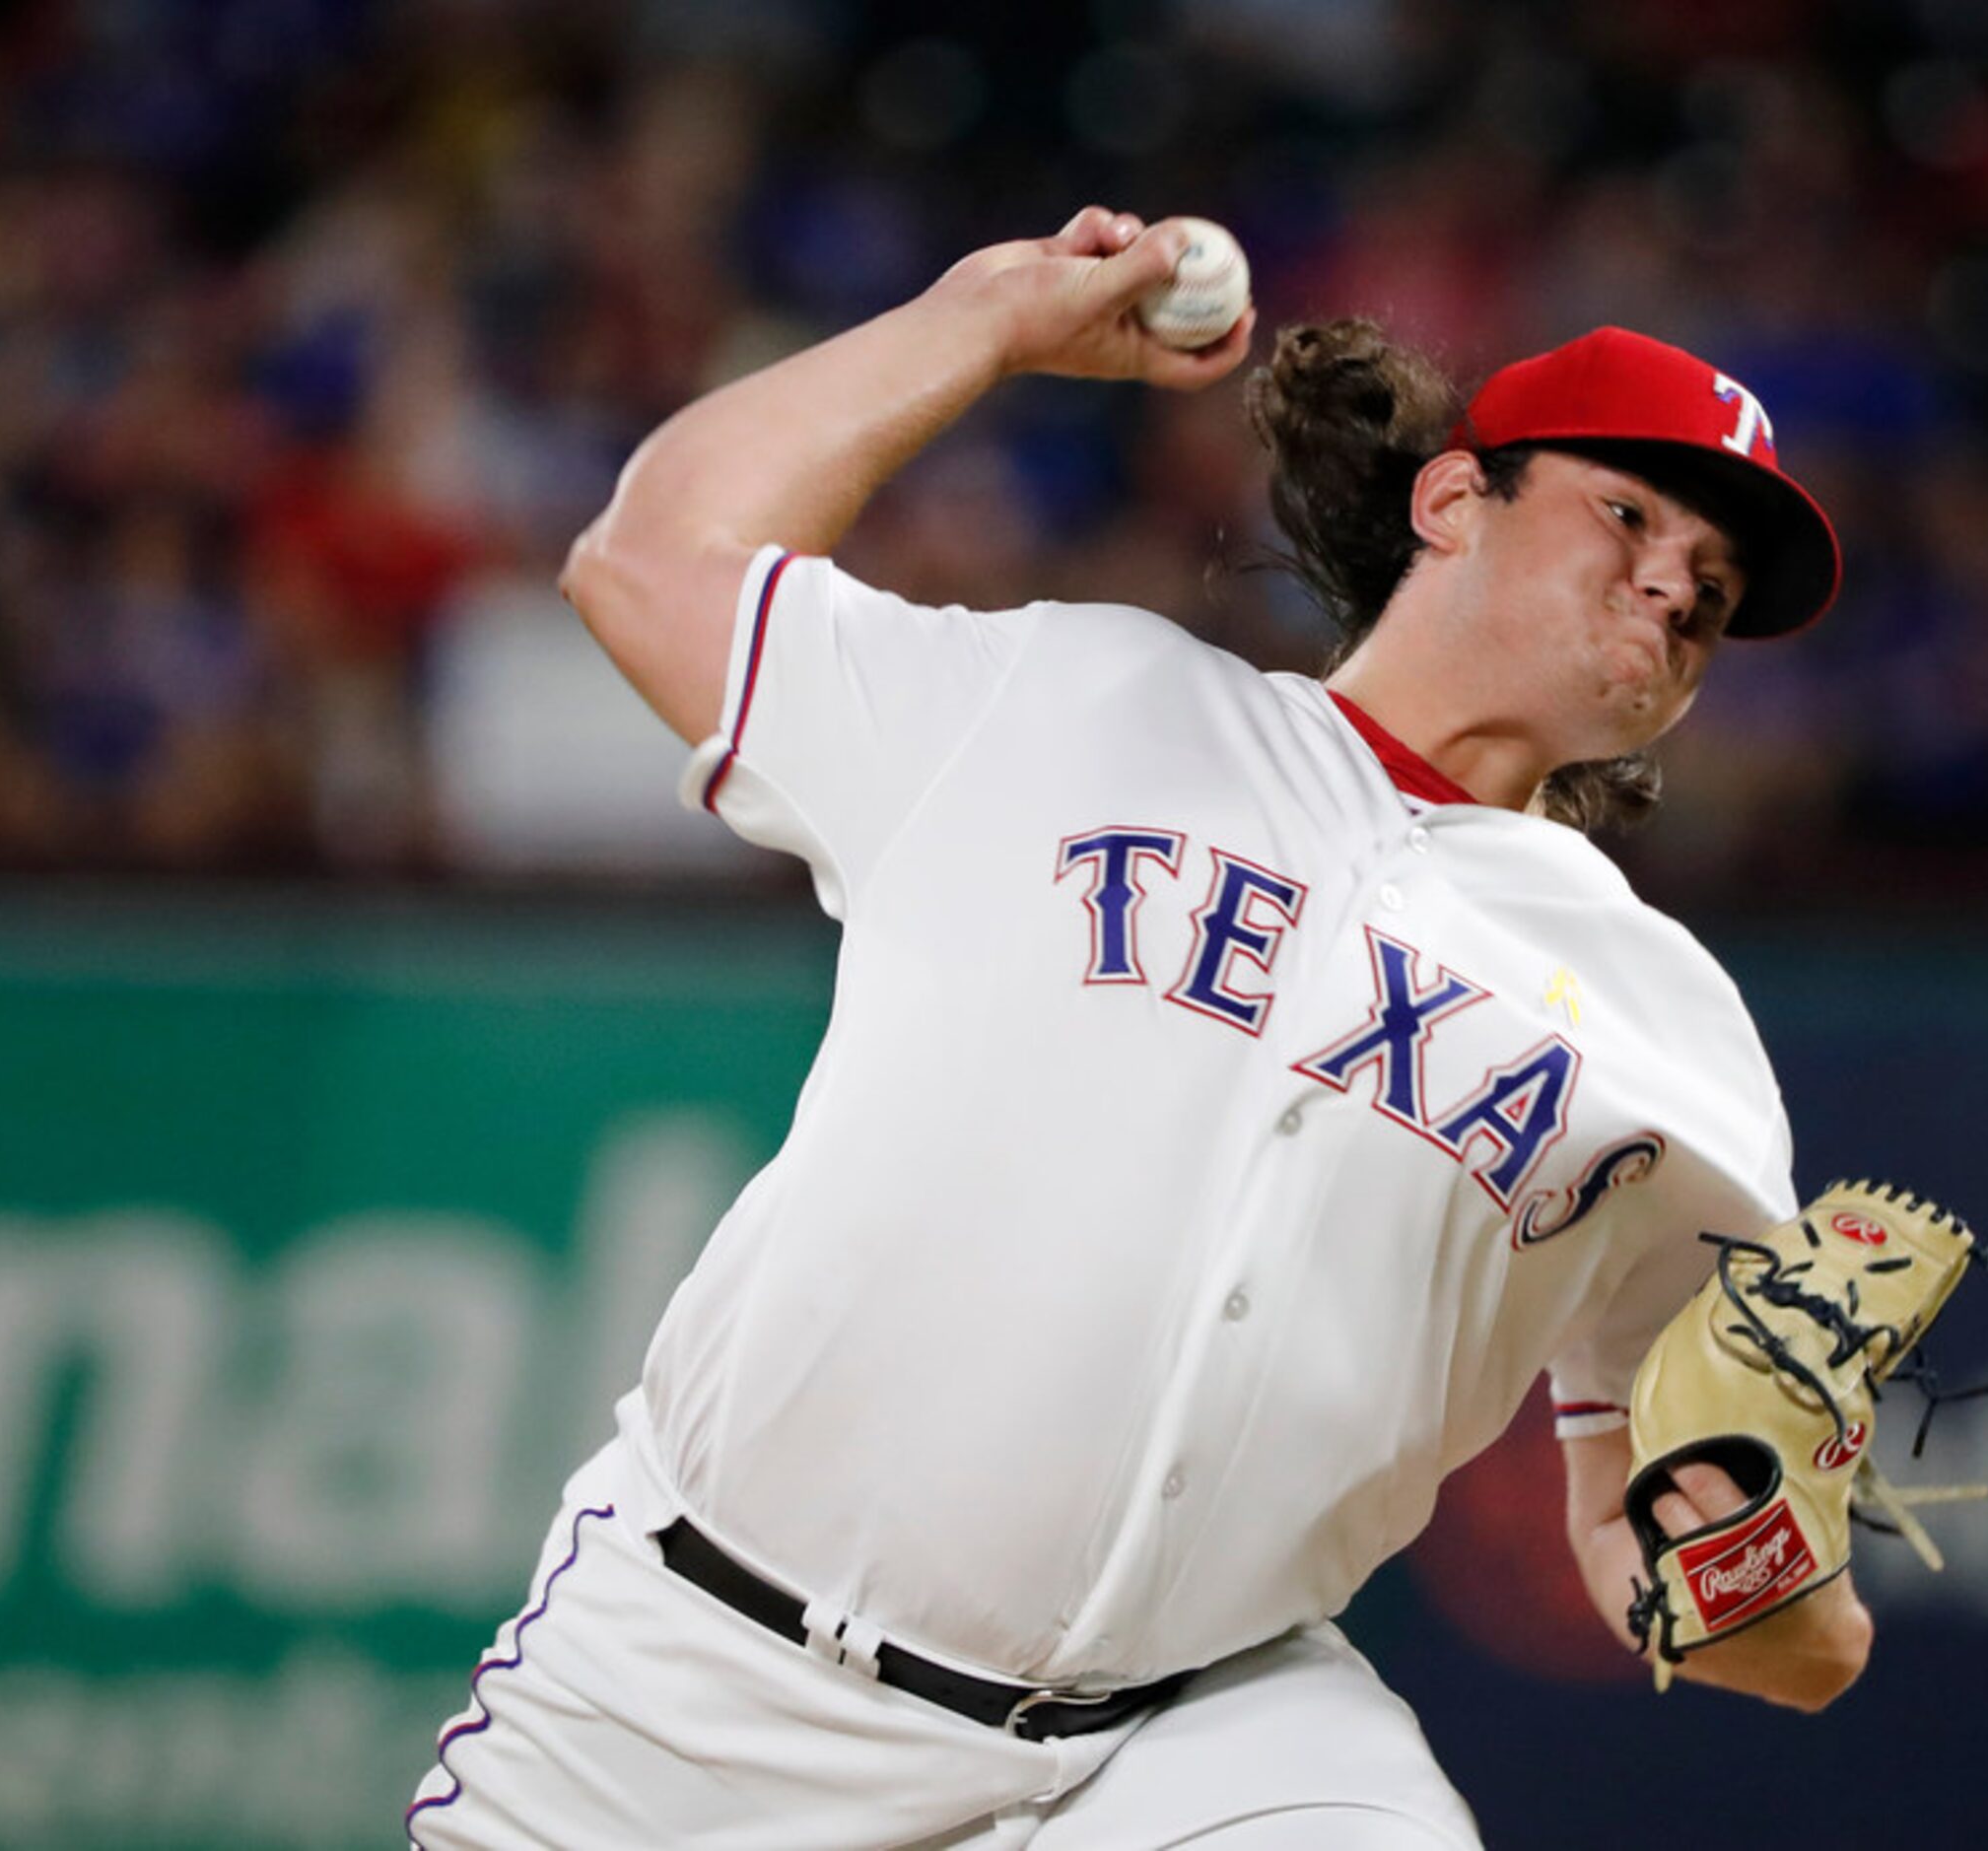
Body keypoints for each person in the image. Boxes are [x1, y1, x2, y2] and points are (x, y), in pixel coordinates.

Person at [407, 206, 1863, 1850]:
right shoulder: (1076, 705)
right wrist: (980, 322)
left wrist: (1742, 1549)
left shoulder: (1673, 1036)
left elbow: (1762, 1627)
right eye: (1630, 511)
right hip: (696, 1679)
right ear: (1455, 498)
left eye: (1719, 581)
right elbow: (649, 558)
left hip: (1186, 1740)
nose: (1680, 580)